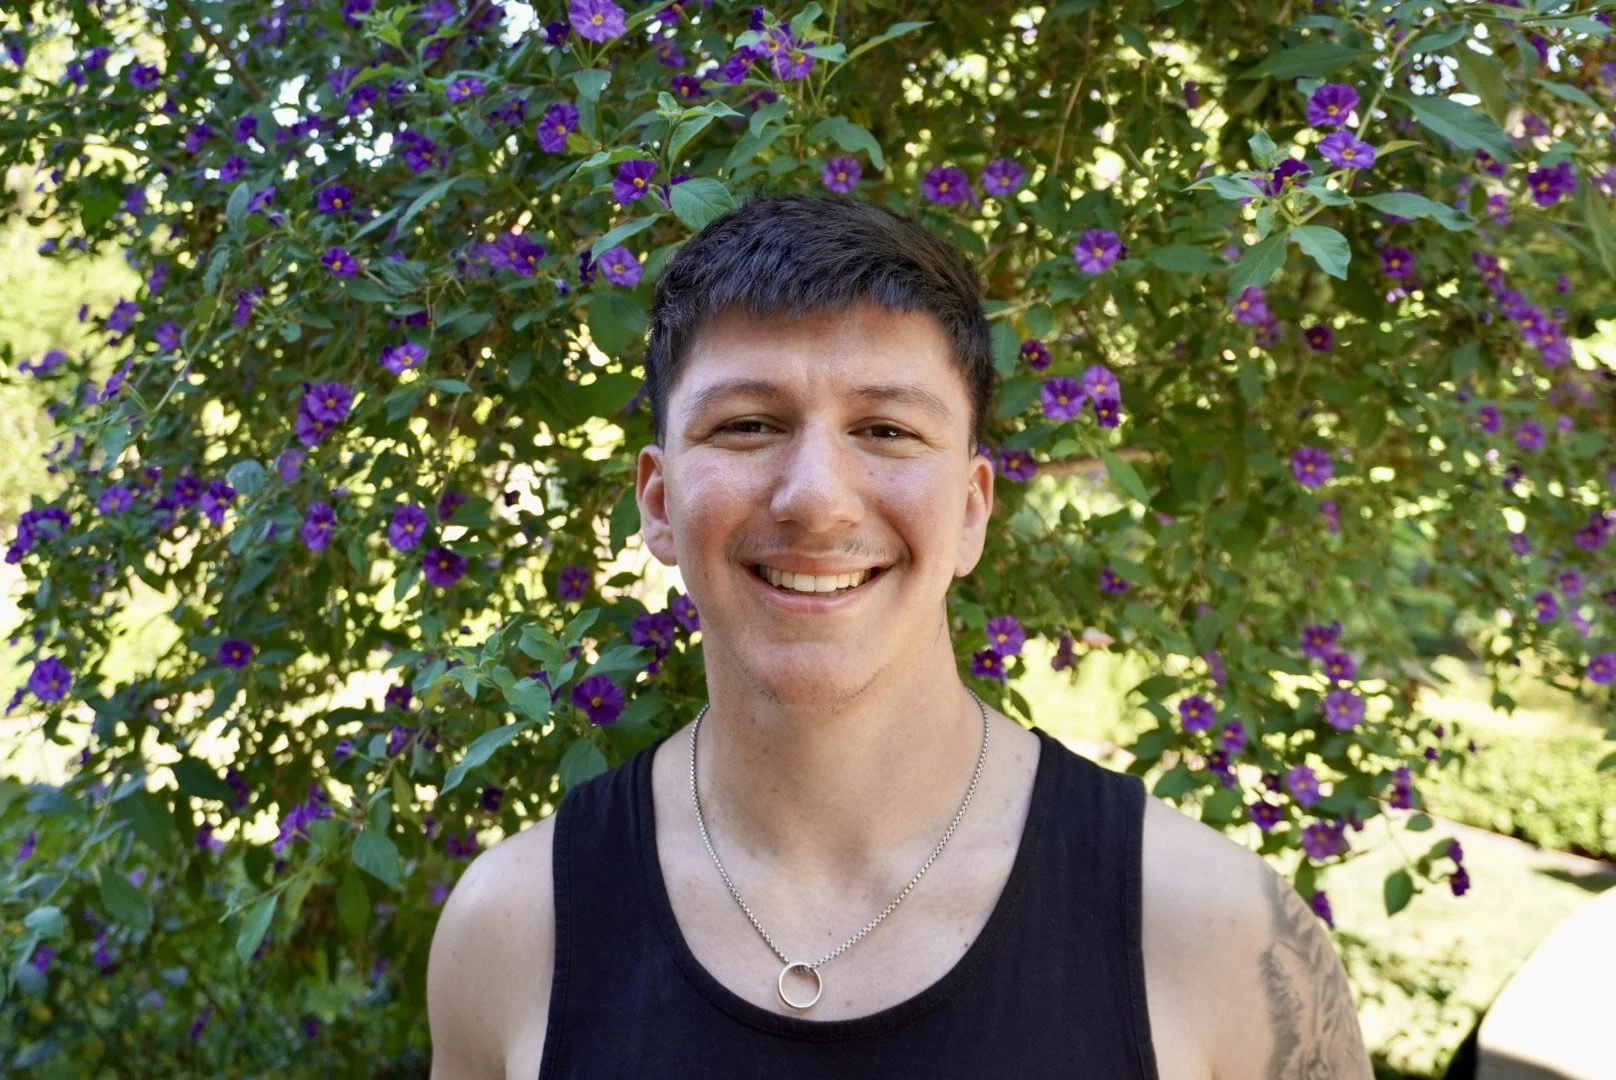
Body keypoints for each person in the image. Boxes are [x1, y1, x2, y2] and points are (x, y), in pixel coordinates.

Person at [427, 194, 1374, 1079]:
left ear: (970, 511)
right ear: (660, 501)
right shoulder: (515, 932)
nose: (815, 500)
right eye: (749, 424)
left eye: (884, 430)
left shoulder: (1224, 940)